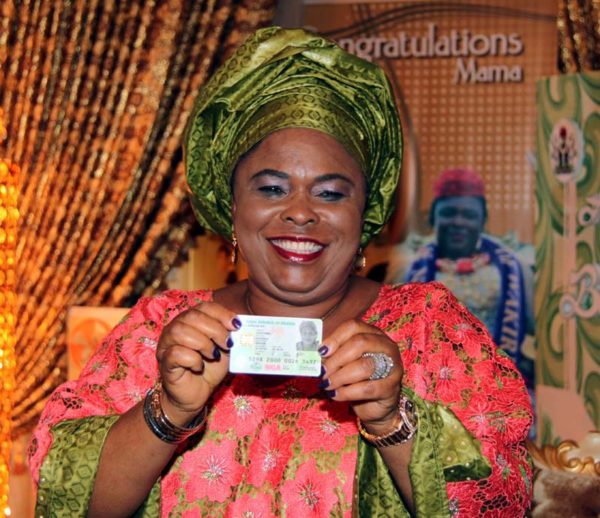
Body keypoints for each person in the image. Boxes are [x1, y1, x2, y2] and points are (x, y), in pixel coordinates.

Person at [28, 27, 532, 517]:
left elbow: (498, 504)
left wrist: (391, 418)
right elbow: (67, 501)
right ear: (232, 207)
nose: (300, 212)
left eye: (331, 193)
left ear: (365, 215)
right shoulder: (160, 330)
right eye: (271, 188)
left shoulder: (429, 329)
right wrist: (168, 412)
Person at [400, 168, 535, 394]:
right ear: (433, 217)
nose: (458, 222)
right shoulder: (408, 268)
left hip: (498, 389)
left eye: (469, 215)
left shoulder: (512, 267)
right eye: (449, 213)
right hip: (431, 392)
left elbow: (538, 333)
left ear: (483, 220)